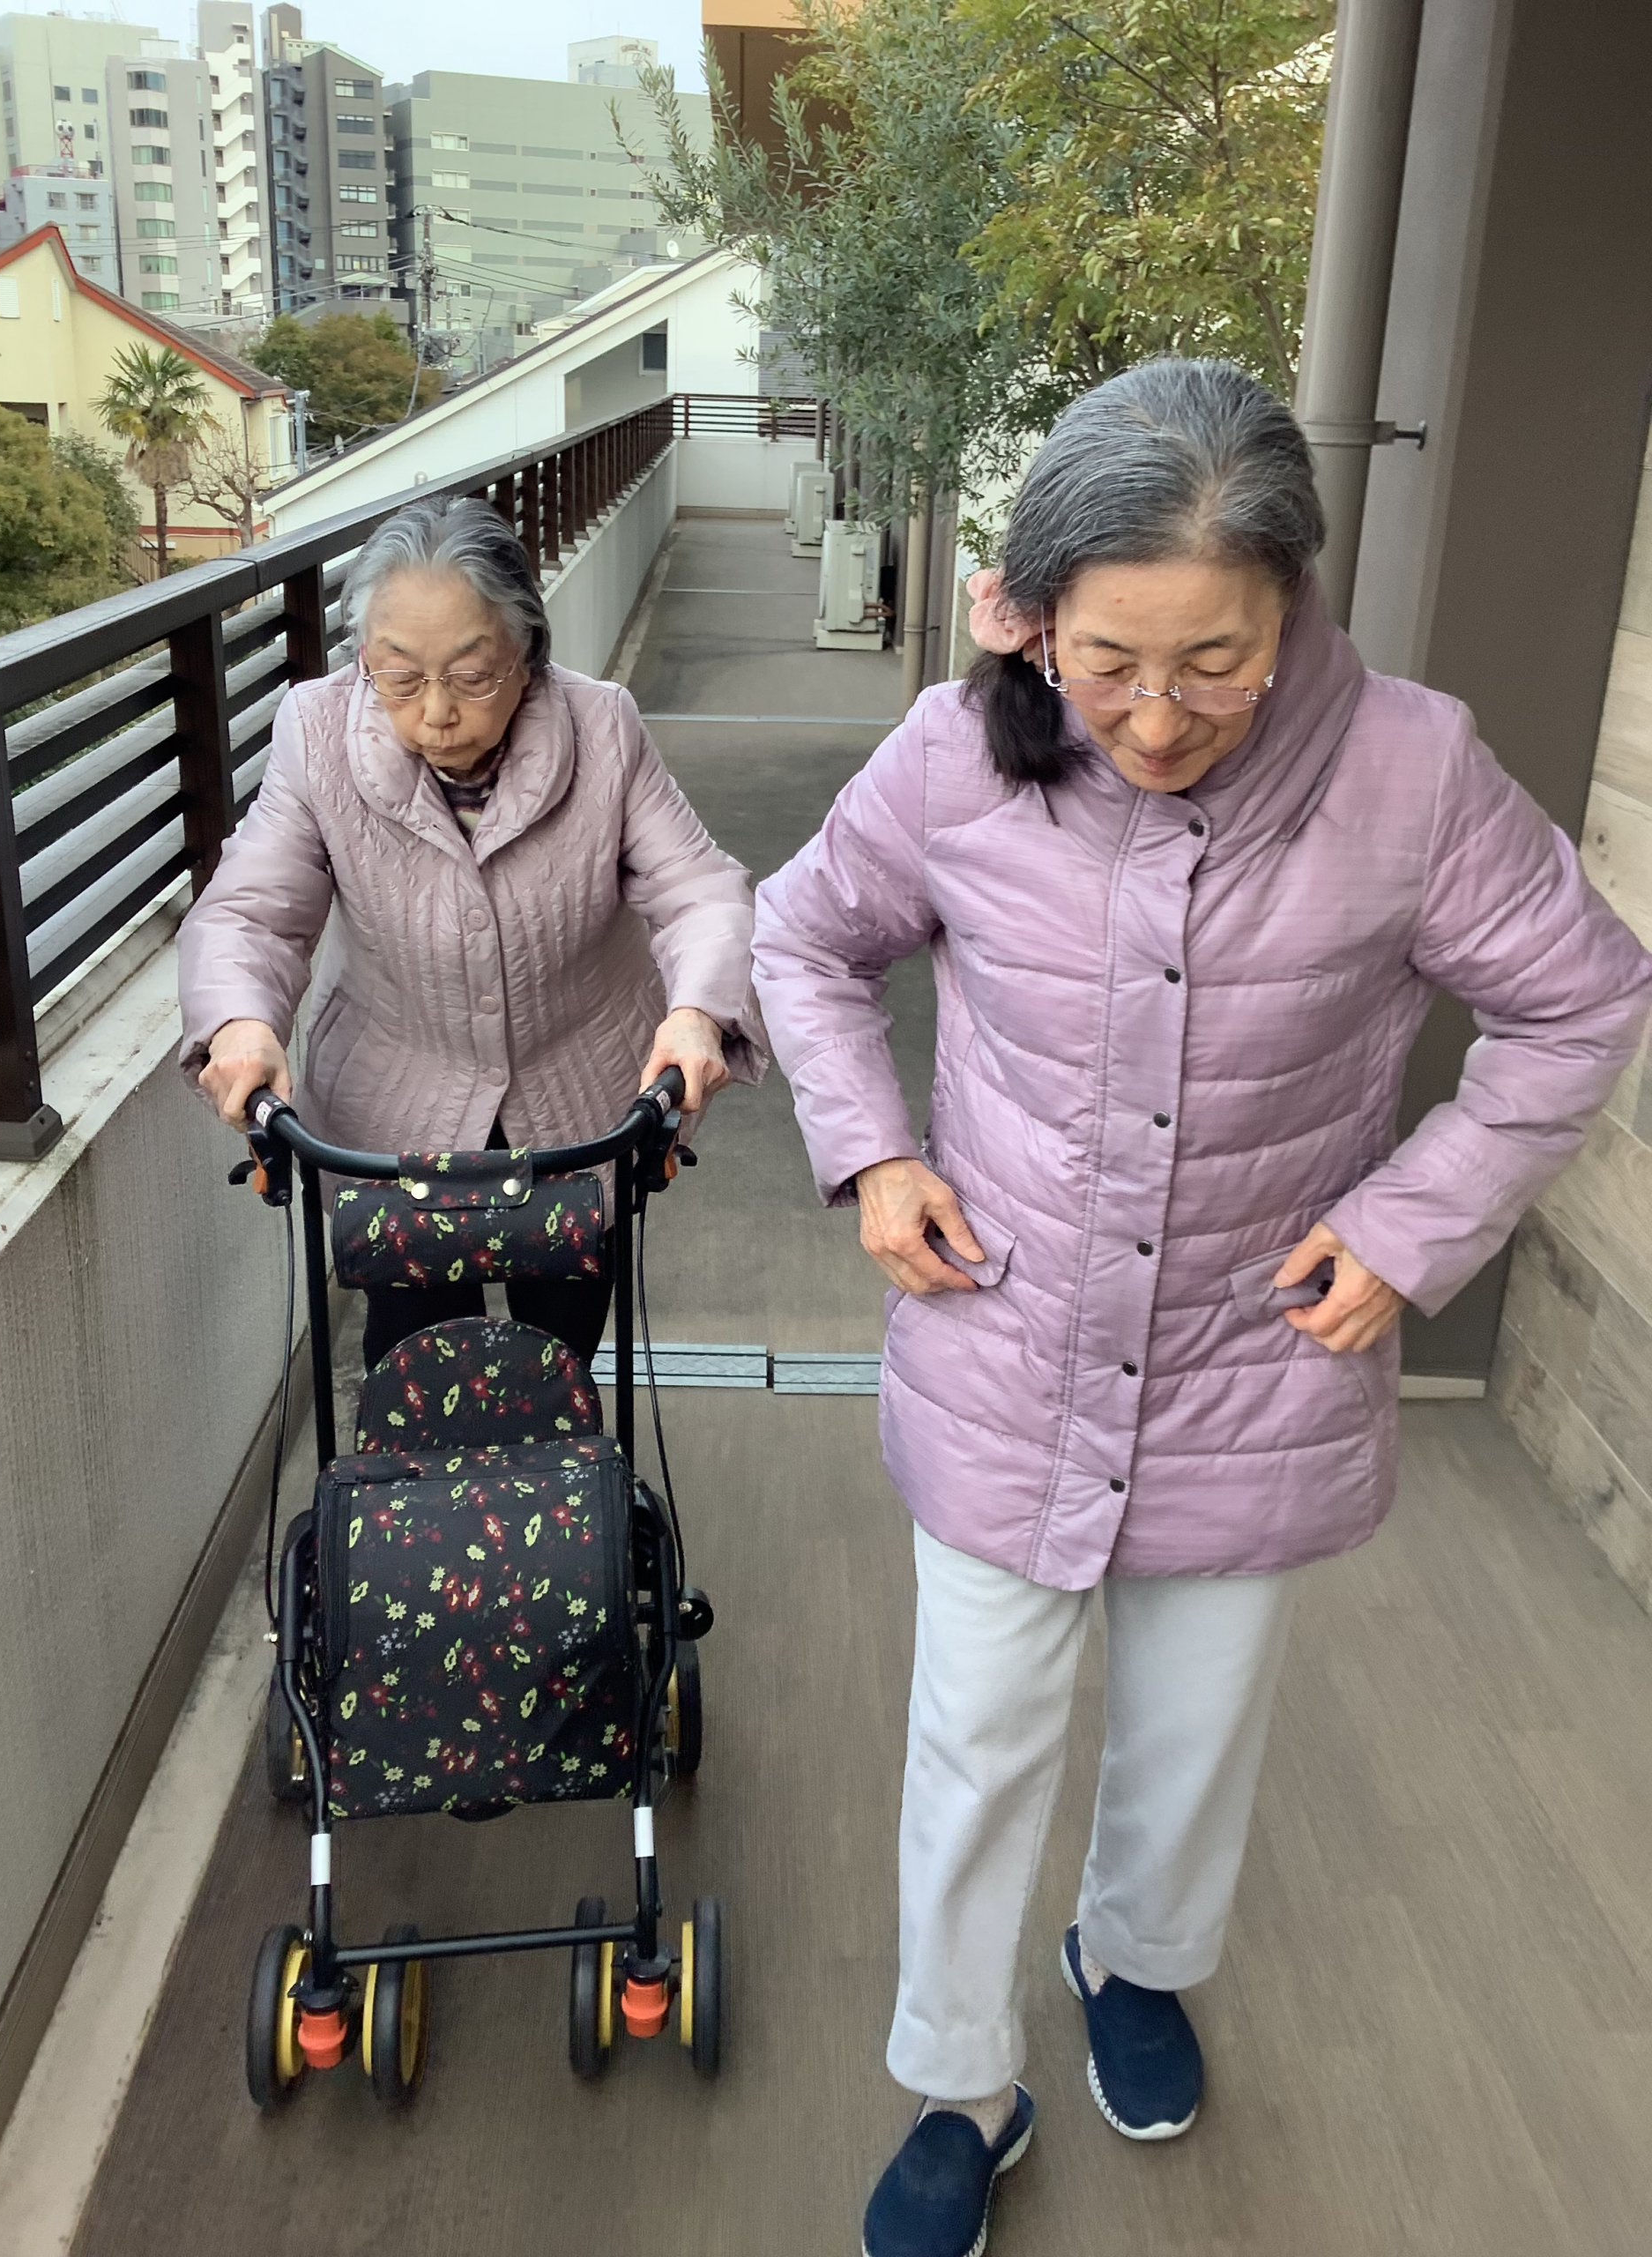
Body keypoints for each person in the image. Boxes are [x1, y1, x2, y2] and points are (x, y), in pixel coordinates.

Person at [750, 359, 1652, 2257]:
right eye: (1108, 663)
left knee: (1194, 1721)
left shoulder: (1411, 771)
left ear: (1292, 607)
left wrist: (1411, 1225)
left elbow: (1581, 997)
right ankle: (960, 2085)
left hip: (1260, 1354)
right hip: (1005, 1338)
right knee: (978, 1739)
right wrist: (875, 1154)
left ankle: (1137, 1958)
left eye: (1216, 664)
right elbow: (805, 935)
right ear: (1034, 619)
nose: (1158, 718)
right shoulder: (955, 754)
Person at [181, 494, 763, 1368]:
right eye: (399, 676)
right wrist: (240, 1021)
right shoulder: (315, 730)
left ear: (527, 654)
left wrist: (697, 1014)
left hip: (578, 1099)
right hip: (395, 1100)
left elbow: (700, 892)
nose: (436, 712)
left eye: (472, 675)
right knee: (410, 1353)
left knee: (560, 1353)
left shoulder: (603, 727)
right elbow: (253, 910)